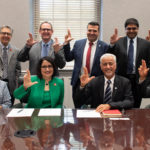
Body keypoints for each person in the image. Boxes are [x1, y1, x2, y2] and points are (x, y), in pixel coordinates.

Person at [63, 21, 109, 108]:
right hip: (78, 82)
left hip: (96, 84)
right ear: (86, 31)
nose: (92, 33)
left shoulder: (104, 46)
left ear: (98, 32)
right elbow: (68, 58)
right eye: (89, 30)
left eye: (94, 31)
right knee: (78, 108)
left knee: (95, 109)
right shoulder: (78, 44)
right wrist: (66, 44)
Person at [108, 18, 150, 108]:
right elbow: (109, 57)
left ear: (138, 29)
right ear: (125, 29)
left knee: (135, 106)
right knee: (120, 105)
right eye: (128, 28)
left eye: (134, 28)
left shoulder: (146, 44)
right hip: (121, 79)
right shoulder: (118, 42)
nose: (131, 31)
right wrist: (111, 45)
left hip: (138, 80)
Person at [0, 25, 21, 106]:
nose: (6, 35)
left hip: (10, 86)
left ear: (11, 36)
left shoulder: (16, 51)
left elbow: (18, 71)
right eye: (3, 33)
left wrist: (16, 87)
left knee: (9, 109)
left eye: (8, 34)